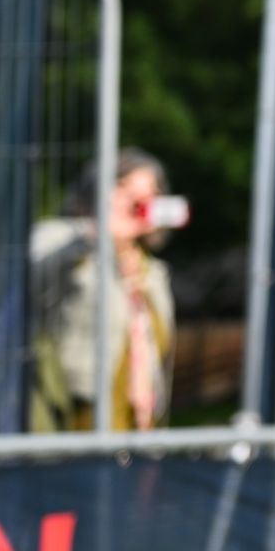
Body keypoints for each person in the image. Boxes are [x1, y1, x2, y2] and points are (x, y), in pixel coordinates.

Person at [28, 147, 179, 431]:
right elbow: (33, 272)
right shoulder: (65, 239)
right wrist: (93, 235)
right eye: (122, 186)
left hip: (139, 428)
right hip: (72, 421)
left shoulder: (154, 274)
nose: (133, 199)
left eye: (148, 192)